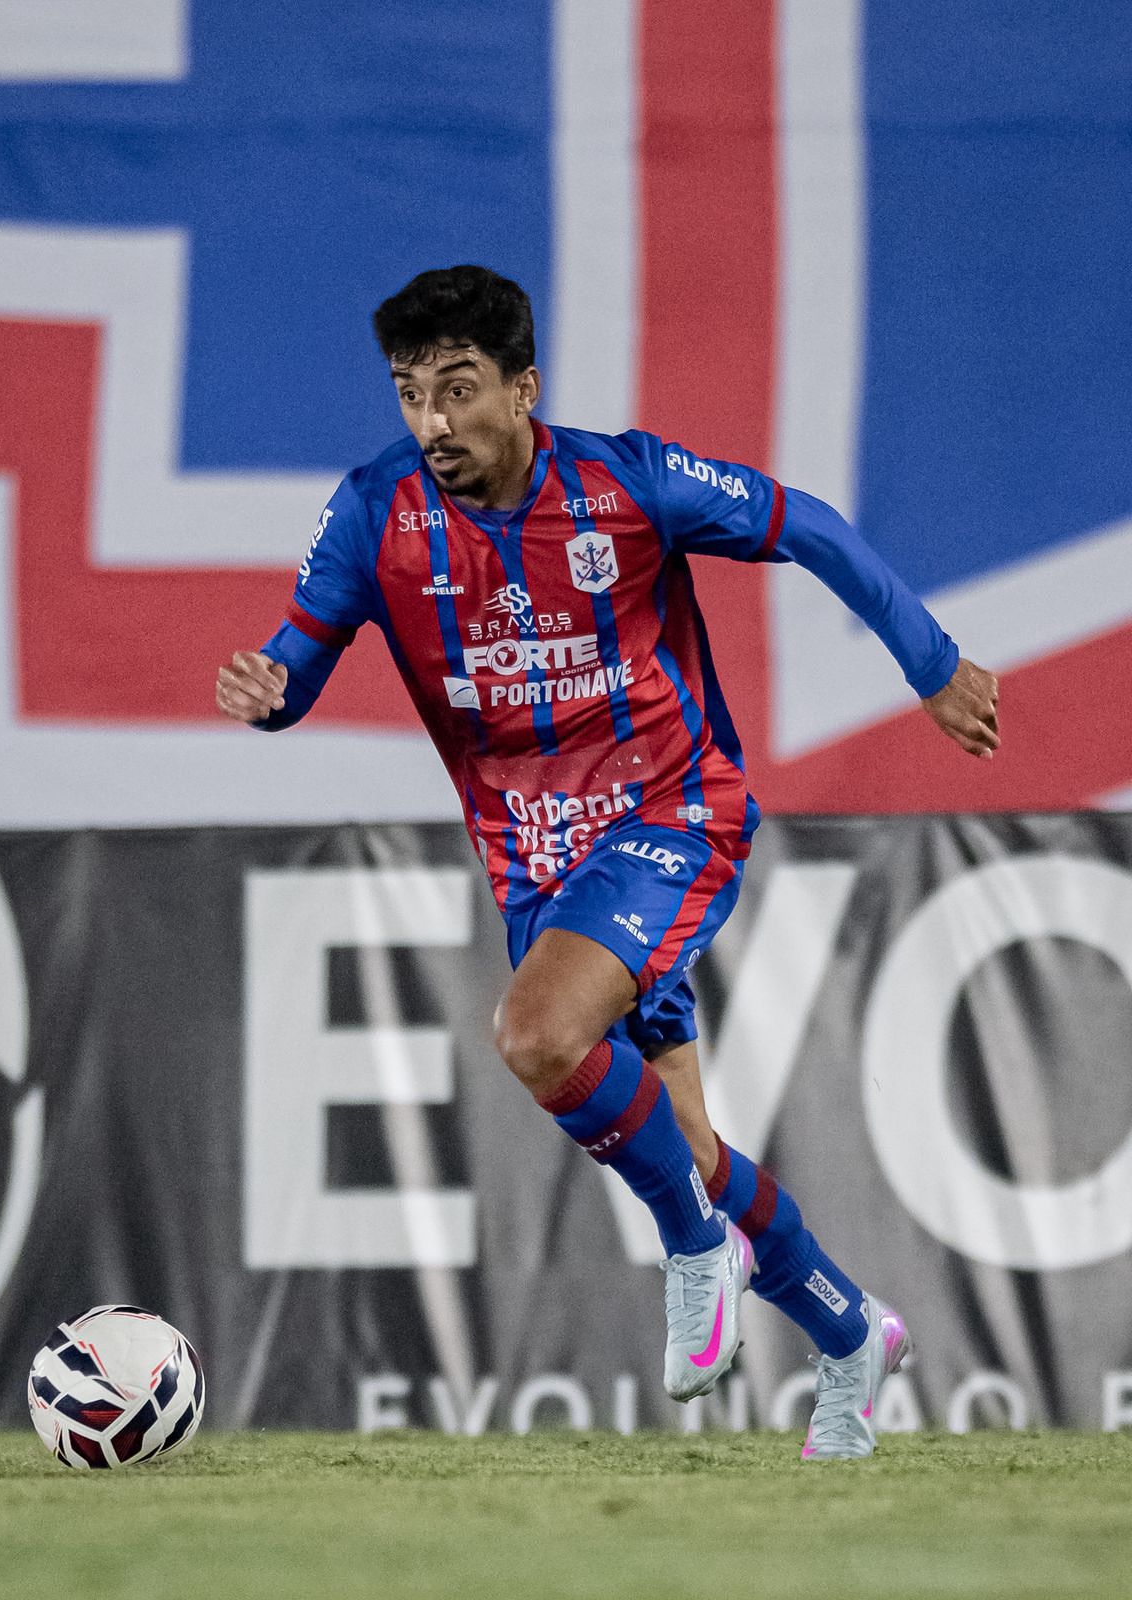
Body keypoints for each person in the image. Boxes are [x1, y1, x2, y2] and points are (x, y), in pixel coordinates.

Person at [216, 265, 1000, 1459]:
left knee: (537, 1034)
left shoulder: (625, 485)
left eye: (457, 388)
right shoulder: (376, 512)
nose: (431, 420)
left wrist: (931, 664)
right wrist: (268, 691)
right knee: (681, 1144)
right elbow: (297, 657)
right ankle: (849, 1333)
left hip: (671, 813)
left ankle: (692, 1248)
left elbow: (803, 524)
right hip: (536, 863)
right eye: (409, 393)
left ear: (523, 387)